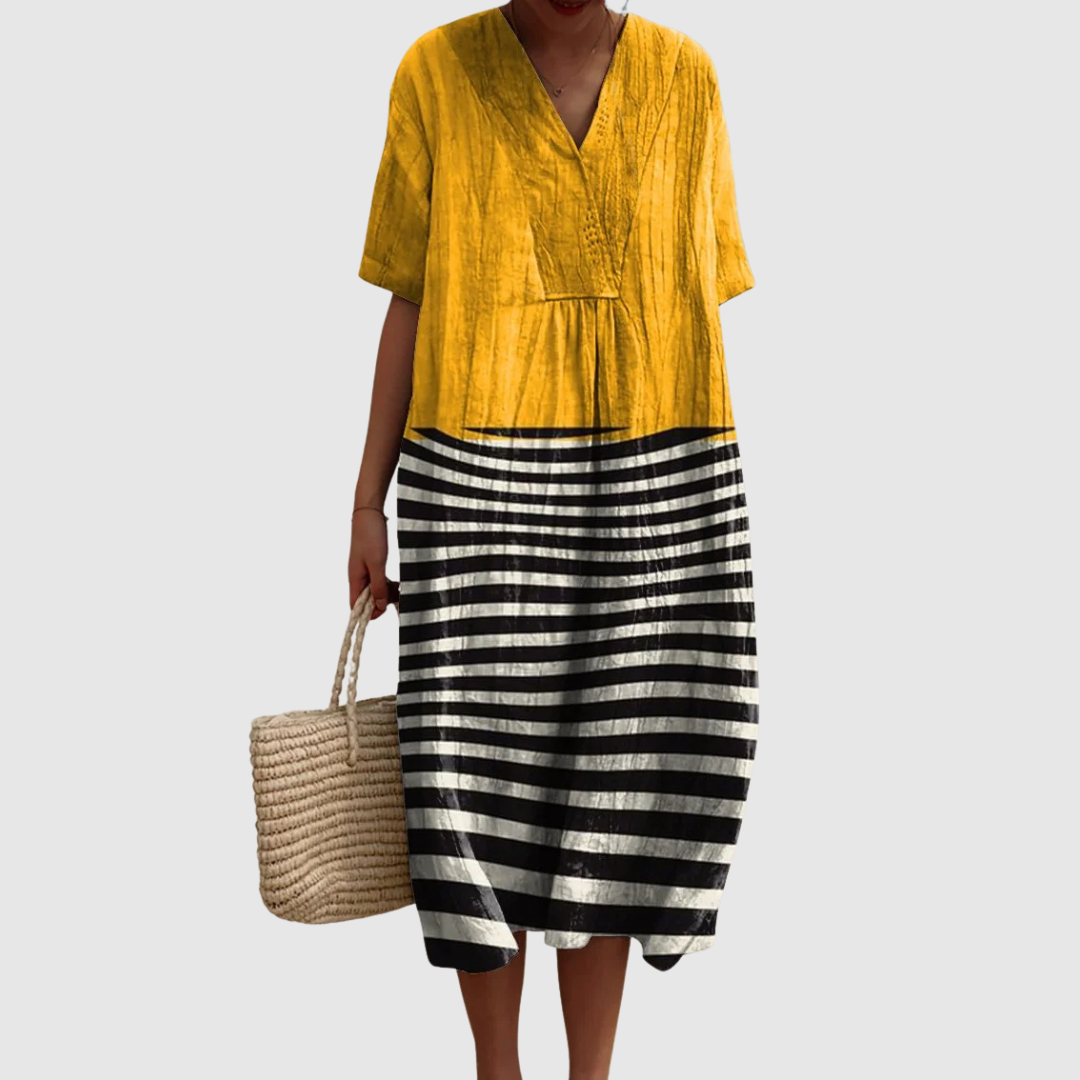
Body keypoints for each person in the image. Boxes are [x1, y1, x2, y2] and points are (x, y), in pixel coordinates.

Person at [348, 2, 759, 1077]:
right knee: (469, 783)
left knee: (620, 777)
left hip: (653, 486)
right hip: (472, 485)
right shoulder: (435, 72)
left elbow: (693, 296)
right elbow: (408, 298)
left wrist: (692, 504)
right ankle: (497, 1070)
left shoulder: (686, 80)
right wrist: (366, 501)